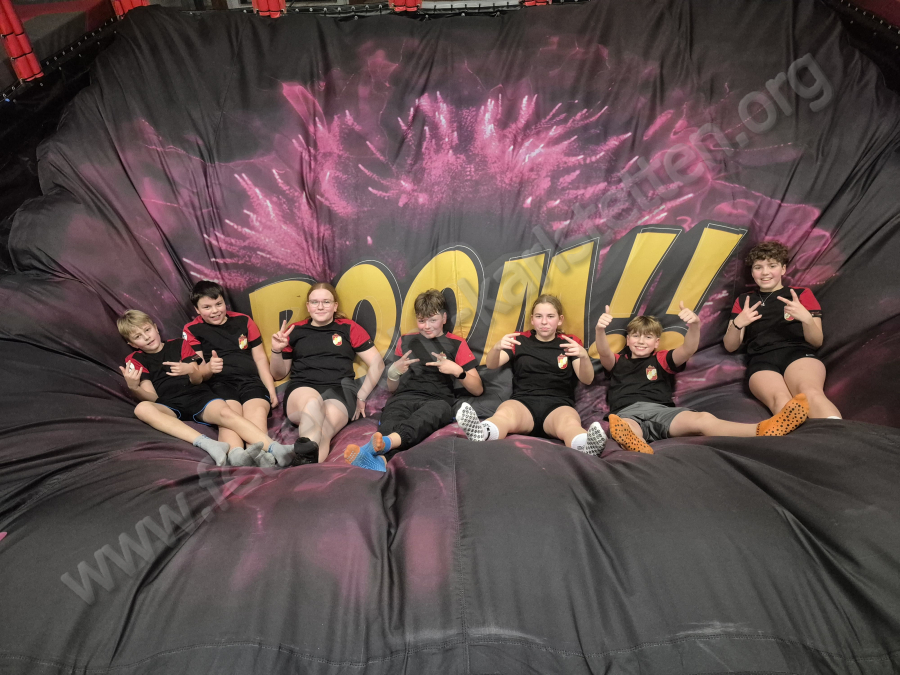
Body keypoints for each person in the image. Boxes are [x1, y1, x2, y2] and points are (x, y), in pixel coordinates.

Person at [595, 302, 809, 455]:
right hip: (628, 412)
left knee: (703, 419)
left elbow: (687, 349)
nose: (641, 341)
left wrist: (695, 325)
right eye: (635, 336)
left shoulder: (661, 359)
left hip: (663, 412)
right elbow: (604, 352)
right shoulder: (617, 360)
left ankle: (763, 430)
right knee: (626, 426)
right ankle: (639, 446)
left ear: (656, 342)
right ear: (628, 340)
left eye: (648, 337)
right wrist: (600, 330)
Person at [117, 310, 296, 467]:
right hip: (168, 402)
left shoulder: (179, 344)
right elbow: (152, 397)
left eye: (147, 330)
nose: (146, 337)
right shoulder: (134, 360)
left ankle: (275, 448)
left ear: (156, 328)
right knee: (141, 408)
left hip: (197, 394)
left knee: (226, 413)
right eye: (138, 336)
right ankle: (209, 444)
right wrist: (134, 387)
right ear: (132, 344)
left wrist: (190, 370)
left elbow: (197, 380)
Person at [344, 289, 483, 472]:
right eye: (421, 320)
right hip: (403, 397)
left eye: (432, 320)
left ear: (444, 318)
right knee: (390, 423)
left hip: (437, 400)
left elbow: (477, 389)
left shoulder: (456, 343)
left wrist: (457, 371)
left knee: (424, 418)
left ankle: (384, 447)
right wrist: (394, 373)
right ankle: (382, 461)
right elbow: (392, 388)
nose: (426, 326)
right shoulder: (406, 340)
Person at [454, 294, 606, 456]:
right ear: (532, 319)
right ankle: (482, 432)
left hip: (558, 405)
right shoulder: (520, 339)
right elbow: (492, 364)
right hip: (523, 403)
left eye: (550, 316)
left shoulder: (569, 342)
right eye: (539, 316)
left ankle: (586, 447)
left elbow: (587, 379)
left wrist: (583, 356)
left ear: (560, 320)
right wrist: (497, 348)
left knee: (570, 423)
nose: (544, 322)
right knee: (504, 414)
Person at [723, 241, 841, 419]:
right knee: (780, 400)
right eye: (758, 267)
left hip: (798, 354)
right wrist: (738, 323)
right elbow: (730, 346)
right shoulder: (744, 300)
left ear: (783, 269)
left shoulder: (801, 294)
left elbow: (816, 341)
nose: (765, 272)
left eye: (772, 266)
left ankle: (837, 434)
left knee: (809, 392)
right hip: (761, 360)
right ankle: (801, 437)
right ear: (752, 272)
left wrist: (806, 319)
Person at [269, 283, 384, 463]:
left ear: (335, 306)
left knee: (324, 431)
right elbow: (278, 374)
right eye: (315, 302)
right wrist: (276, 350)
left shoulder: (349, 328)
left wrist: (362, 396)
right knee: (313, 403)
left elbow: (378, 363)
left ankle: (303, 469)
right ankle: (305, 467)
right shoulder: (295, 330)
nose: (320, 306)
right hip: (302, 389)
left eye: (326, 302)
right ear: (308, 306)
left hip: (340, 393)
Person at [183, 280, 278, 455]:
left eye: (218, 304)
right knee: (230, 416)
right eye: (207, 307)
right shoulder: (192, 329)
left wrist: (270, 388)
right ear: (197, 309)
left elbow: (259, 358)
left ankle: (261, 457)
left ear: (224, 302)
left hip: (250, 381)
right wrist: (209, 368)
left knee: (257, 412)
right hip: (219, 384)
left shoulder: (244, 320)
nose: (215, 311)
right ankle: (236, 457)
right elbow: (198, 372)